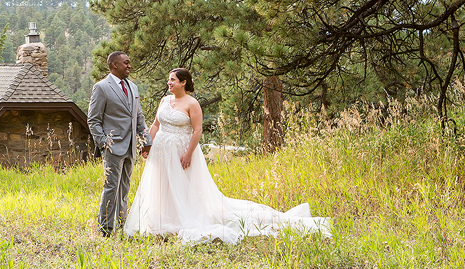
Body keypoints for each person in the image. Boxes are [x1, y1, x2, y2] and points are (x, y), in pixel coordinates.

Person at [123, 68, 331, 244]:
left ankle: (183, 219)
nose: (169, 83)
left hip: (181, 150)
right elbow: (156, 125)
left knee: (183, 185)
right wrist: (147, 145)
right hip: (160, 149)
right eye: (169, 80)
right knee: (161, 184)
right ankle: (162, 218)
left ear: (183, 82)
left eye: (172, 80)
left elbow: (197, 131)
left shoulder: (192, 103)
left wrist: (188, 153)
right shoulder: (164, 101)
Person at [88, 51, 153, 237]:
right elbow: (93, 120)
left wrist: (146, 140)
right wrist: (104, 143)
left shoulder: (133, 87)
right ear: (114, 65)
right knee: (111, 188)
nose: (129, 66)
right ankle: (105, 230)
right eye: (126, 63)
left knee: (124, 188)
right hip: (112, 147)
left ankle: (122, 225)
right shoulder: (101, 87)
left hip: (131, 146)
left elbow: (138, 116)